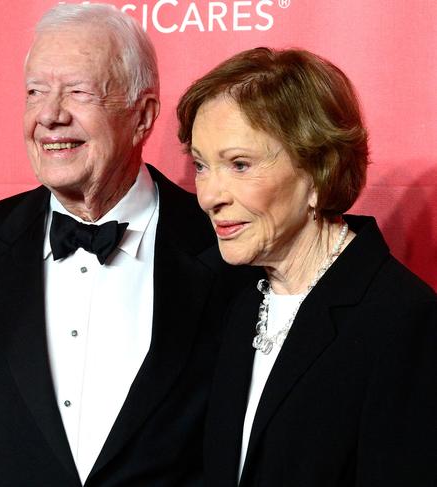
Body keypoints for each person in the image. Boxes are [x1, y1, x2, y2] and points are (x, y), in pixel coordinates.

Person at [0, 4, 253, 486]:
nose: (50, 115)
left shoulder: (226, 247)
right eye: (35, 92)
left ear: (143, 116)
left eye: (78, 91)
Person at [177, 47, 437, 487]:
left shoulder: (403, 320)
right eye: (202, 166)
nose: (208, 197)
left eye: (239, 165)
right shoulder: (237, 300)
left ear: (319, 170)